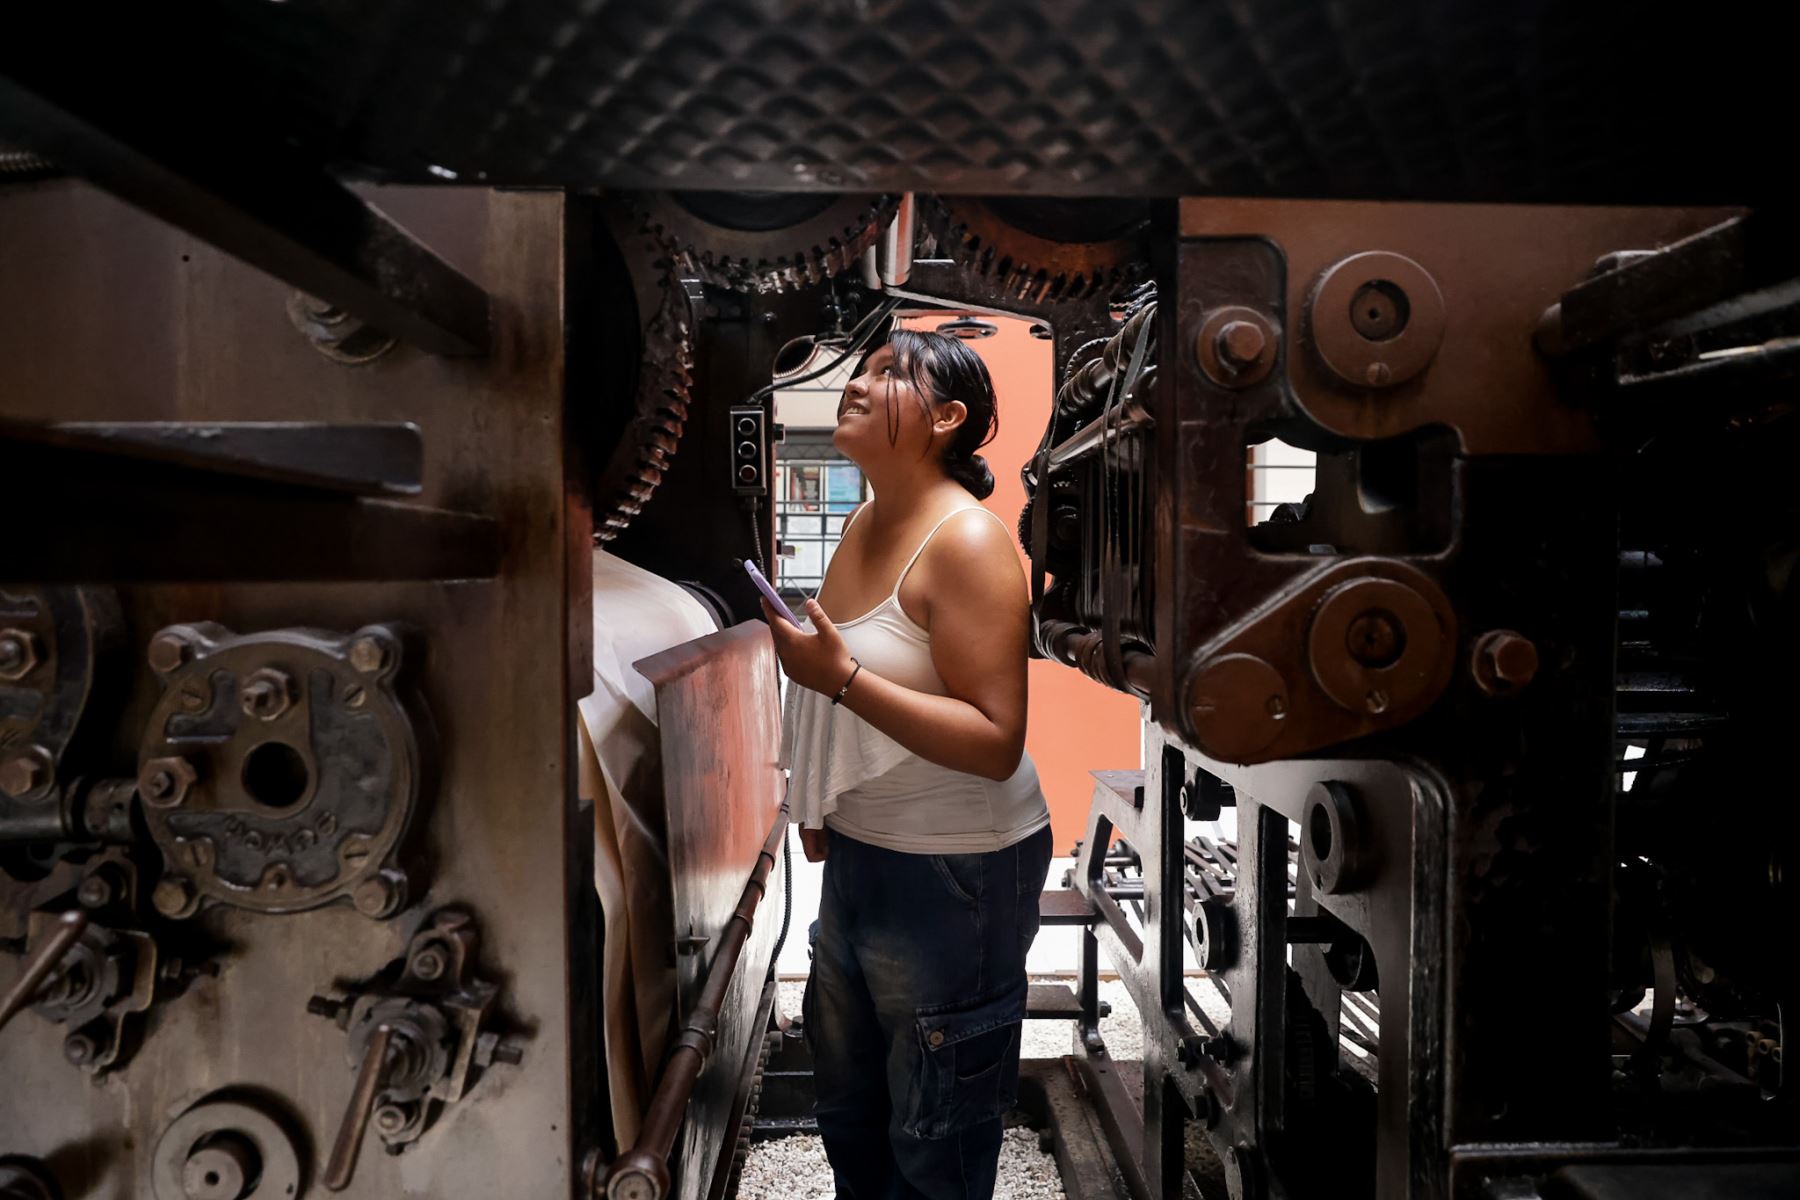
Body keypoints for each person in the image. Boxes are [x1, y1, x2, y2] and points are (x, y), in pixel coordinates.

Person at [763, 327, 1054, 1199]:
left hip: (954, 871)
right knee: (851, 1111)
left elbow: (995, 738)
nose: (857, 383)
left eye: (889, 374)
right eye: (859, 370)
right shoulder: (863, 521)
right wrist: (821, 805)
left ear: (947, 417)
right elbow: (837, 676)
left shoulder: (966, 542)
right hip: (862, 856)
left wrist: (840, 677)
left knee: (937, 1134)